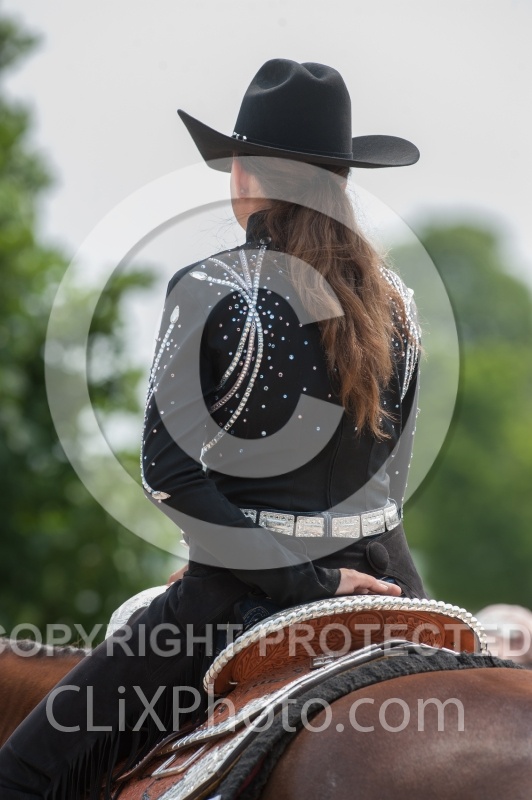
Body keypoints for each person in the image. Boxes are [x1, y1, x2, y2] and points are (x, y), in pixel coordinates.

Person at [0, 59, 427, 799]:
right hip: (385, 583)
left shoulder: (211, 287)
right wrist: (390, 592)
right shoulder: (400, 305)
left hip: (237, 599)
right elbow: (387, 491)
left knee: (20, 774)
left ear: (245, 174)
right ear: (342, 179)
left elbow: (169, 477)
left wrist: (301, 578)